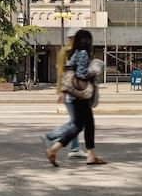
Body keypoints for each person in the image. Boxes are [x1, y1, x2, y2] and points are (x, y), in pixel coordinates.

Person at [44, 29, 106, 167]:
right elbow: (82, 74)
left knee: (81, 125)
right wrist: (95, 71)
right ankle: (56, 149)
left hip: (74, 96)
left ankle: (89, 155)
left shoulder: (74, 53)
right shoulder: (83, 53)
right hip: (80, 96)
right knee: (84, 125)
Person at [41, 28, 86, 159]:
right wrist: (61, 91)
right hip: (70, 92)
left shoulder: (72, 52)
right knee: (76, 123)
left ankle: (75, 148)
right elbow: (62, 73)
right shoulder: (66, 52)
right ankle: (50, 136)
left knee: (75, 122)